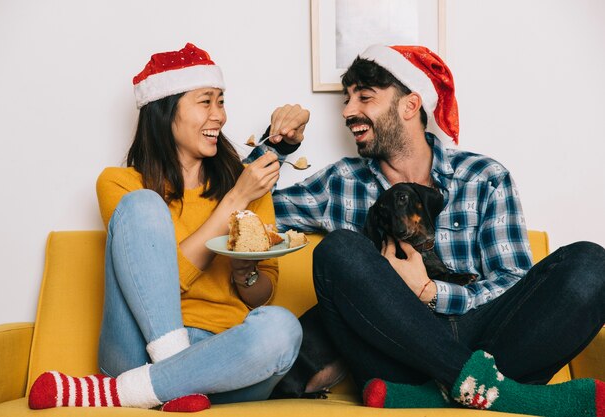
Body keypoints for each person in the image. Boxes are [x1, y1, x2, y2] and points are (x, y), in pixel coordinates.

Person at [246, 45, 605, 416]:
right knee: (338, 250)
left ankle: (441, 392)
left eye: (365, 97)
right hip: (393, 358)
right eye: (346, 99)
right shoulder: (340, 182)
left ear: (410, 105)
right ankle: (495, 392)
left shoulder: (484, 178)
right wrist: (277, 148)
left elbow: (512, 280)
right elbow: (244, 212)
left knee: (593, 263)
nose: (348, 111)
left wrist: (431, 293)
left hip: (486, 344)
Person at [27, 42, 303, 411]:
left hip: (222, 359)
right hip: (135, 348)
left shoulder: (248, 185)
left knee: (283, 328)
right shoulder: (121, 185)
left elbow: (263, 295)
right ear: (165, 111)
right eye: (205, 101)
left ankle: (128, 392)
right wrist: (235, 200)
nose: (219, 116)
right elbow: (158, 284)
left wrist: (246, 274)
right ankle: (172, 374)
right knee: (144, 206)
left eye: (221, 101)